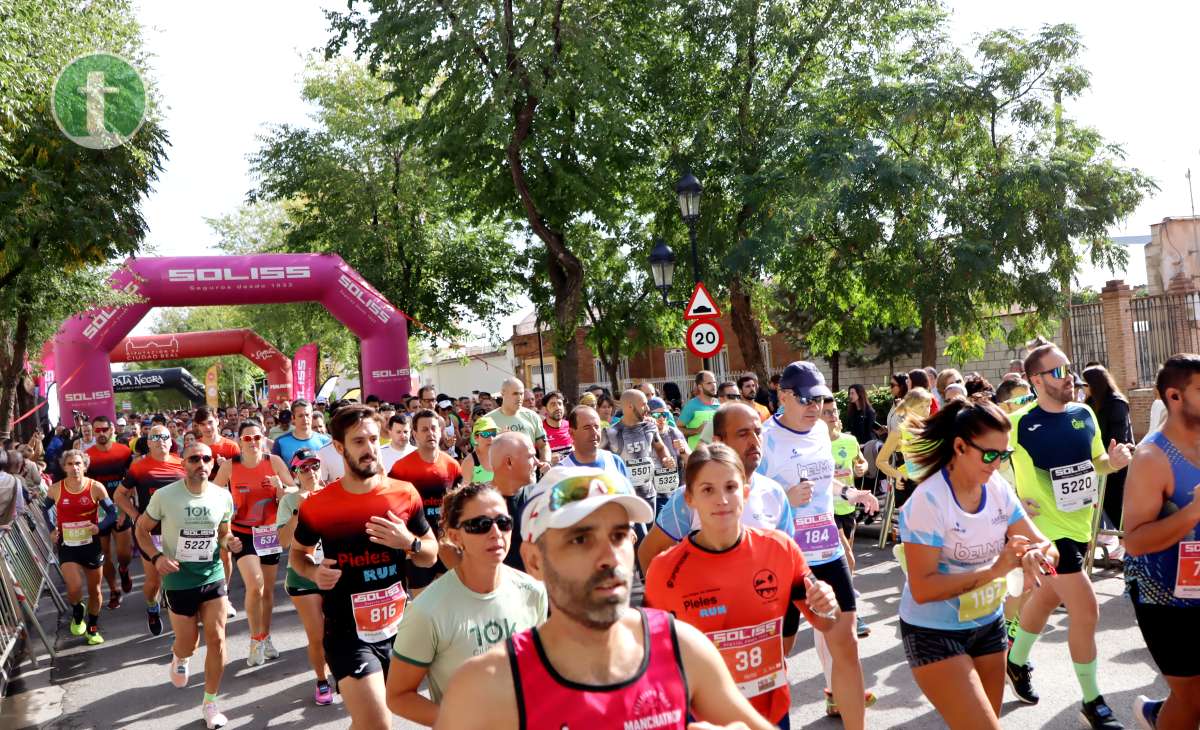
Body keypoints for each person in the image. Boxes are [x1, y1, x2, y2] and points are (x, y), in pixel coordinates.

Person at [434, 466, 779, 730]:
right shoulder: (486, 686)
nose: (610, 557)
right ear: (535, 561)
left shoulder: (679, 647)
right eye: (581, 539)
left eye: (619, 535)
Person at [645, 443, 840, 728]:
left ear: (746, 492)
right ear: (690, 499)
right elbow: (654, 662)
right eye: (708, 490)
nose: (722, 500)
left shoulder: (781, 549)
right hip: (703, 721)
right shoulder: (665, 570)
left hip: (771, 714)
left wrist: (827, 603)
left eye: (731, 487)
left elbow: (826, 622)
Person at [897, 399, 1056, 730]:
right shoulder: (928, 501)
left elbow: (1047, 546)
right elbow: (923, 588)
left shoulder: (997, 488)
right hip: (934, 632)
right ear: (959, 446)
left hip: (988, 625)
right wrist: (996, 571)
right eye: (989, 455)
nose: (997, 464)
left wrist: (1034, 557)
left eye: (1004, 455)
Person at [1005, 343, 1132, 729]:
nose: (1070, 379)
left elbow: (1096, 463)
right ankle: (1092, 701)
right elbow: (983, 462)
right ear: (1036, 380)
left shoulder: (1085, 415)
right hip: (1046, 534)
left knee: (1044, 600)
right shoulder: (1017, 423)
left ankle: (1014, 660)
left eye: (1070, 370)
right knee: (1087, 609)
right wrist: (1012, 502)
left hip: (1078, 528)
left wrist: (1115, 462)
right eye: (1059, 372)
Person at [290, 405, 438, 730]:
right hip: (348, 634)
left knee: (367, 723)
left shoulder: (404, 494)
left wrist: (408, 543)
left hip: (400, 630)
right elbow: (298, 555)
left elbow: (430, 553)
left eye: (373, 439)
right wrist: (314, 572)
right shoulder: (318, 506)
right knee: (378, 723)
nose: (370, 449)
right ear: (340, 448)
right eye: (359, 442)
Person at [756, 362, 879, 729]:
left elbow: (824, 484)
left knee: (847, 647)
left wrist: (850, 492)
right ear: (784, 396)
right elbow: (748, 499)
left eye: (821, 399)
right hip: (784, 560)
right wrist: (784, 497)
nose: (815, 407)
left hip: (827, 551)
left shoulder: (821, 432)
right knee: (778, 654)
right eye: (807, 399)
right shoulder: (764, 439)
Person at [387, 483, 548, 726]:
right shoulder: (427, 611)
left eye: (503, 522)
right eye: (481, 525)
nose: (496, 533)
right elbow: (398, 696)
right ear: (455, 536)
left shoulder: (533, 591)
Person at [1122, 354, 1200, 730]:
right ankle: (1159, 716)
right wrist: (1192, 513)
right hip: (1166, 597)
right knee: (1193, 699)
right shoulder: (1152, 457)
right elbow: (1134, 542)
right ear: (1174, 396)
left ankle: (1156, 714)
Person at [135, 441, 237, 729]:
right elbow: (141, 530)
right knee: (188, 643)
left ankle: (210, 703)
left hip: (212, 574)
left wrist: (231, 542)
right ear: (184, 463)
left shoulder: (222, 496)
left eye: (206, 459)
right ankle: (180, 656)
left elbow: (223, 534)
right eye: (194, 458)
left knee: (217, 638)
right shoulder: (165, 497)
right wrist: (156, 558)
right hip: (178, 578)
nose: (201, 464)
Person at [637, 402, 793, 575]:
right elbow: (648, 553)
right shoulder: (689, 497)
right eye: (743, 434)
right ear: (719, 441)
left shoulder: (774, 493)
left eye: (758, 432)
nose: (754, 441)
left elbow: (788, 557)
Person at [213, 419, 294, 666]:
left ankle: (265, 637)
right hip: (243, 533)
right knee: (255, 585)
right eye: (247, 439)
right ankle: (255, 639)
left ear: (264, 438)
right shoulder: (230, 466)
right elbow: (213, 497)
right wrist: (227, 512)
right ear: (240, 442)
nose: (253, 443)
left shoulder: (274, 462)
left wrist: (281, 489)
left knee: (267, 591)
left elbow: (294, 491)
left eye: (257, 437)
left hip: (270, 532)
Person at [275, 447, 335, 706]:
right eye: (304, 468)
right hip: (303, 575)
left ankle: (341, 671)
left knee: (341, 629)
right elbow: (284, 541)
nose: (310, 471)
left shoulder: (334, 493)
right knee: (317, 633)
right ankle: (322, 680)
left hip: (334, 571)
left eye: (314, 466)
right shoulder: (289, 501)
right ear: (295, 473)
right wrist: (300, 512)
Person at [114, 424, 185, 635]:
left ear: (171, 440)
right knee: (154, 580)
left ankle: (183, 619)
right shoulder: (139, 466)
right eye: (155, 437)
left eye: (165, 436)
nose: (161, 440)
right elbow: (119, 495)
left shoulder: (182, 464)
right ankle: (152, 606)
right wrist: (136, 516)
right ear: (148, 442)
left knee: (181, 576)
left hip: (179, 531)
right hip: (150, 533)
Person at [388, 409, 464, 594]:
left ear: (440, 431)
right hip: (417, 546)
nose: (430, 433)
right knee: (423, 604)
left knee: (450, 600)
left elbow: (460, 505)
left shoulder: (452, 465)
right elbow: (391, 506)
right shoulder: (401, 468)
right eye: (424, 429)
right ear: (415, 434)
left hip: (447, 544)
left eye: (433, 428)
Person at [48, 450, 117, 646]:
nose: (74, 467)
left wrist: (99, 527)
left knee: (95, 590)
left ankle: (93, 629)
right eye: (69, 463)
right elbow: (45, 509)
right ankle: (77, 611)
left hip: (91, 545)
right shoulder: (55, 489)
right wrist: (52, 529)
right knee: (75, 585)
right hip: (67, 545)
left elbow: (113, 513)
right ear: (64, 467)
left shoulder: (96, 487)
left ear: (85, 466)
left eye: (78, 463)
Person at [820, 398, 871, 637]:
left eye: (834, 411)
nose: (832, 416)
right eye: (826, 412)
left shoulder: (849, 441)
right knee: (848, 557)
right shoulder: (814, 445)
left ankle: (834, 599)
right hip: (826, 509)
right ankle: (850, 610)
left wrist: (861, 467)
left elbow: (861, 462)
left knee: (844, 559)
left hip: (847, 508)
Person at [85, 415, 134, 610]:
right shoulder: (87, 457)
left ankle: (123, 569)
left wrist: (124, 508)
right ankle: (114, 590)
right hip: (99, 512)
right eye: (97, 430)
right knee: (104, 554)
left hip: (121, 507)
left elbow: (131, 482)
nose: (101, 433)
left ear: (112, 430)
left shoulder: (124, 452)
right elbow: (86, 486)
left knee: (124, 553)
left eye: (104, 429)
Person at [604, 389, 676, 516]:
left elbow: (660, 447)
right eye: (643, 404)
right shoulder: (611, 433)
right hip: (627, 498)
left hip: (649, 494)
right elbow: (601, 462)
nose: (647, 408)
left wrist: (666, 458)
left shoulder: (650, 427)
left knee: (649, 534)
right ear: (630, 406)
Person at [1082, 365, 1133, 538]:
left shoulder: (1117, 403)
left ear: (1094, 384)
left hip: (1116, 463)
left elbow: (1118, 436)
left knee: (1116, 506)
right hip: (1097, 464)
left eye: (1085, 384)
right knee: (1105, 507)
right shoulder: (1089, 404)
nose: (1082, 388)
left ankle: (1128, 545)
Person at [488, 431, 539, 572]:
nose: (537, 462)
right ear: (509, 462)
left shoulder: (540, 496)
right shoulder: (476, 504)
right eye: (531, 456)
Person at [876, 388, 934, 513]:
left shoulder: (931, 430)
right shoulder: (899, 431)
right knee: (912, 529)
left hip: (929, 484)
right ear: (910, 408)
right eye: (922, 406)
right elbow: (880, 461)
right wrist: (897, 475)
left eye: (928, 406)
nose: (926, 410)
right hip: (908, 484)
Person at [486, 378, 550, 463]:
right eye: (515, 394)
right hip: (501, 474)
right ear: (503, 394)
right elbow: (481, 452)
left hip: (530, 473)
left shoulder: (532, 416)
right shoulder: (488, 420)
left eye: (521, 394)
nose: (519, 398)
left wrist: (546, 462)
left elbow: (543, 446)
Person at [272, 399, 332, 465]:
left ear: (311, 416)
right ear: (293, 418)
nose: (305, 419)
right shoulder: (280, 442)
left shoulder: (325, 441)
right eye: (300, 416)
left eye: (307, 415)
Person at [680, 370, 719, 449]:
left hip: (717, 455)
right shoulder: (691, 405)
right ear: (700, 387)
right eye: (709, 383)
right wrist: (697, 430)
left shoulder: (721, 404)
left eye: (714, 382)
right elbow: (677, 429)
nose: (714, 386)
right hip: (697, 456)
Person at [459, 415, 497, 485]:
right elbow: (463, 492)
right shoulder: (469, 462)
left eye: (493, 433)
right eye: (486, 434)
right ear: (476, 437)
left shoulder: (502, 457)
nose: (491, 438)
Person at [541, 391, 572, 462]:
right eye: (553, 404)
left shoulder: (571, 426)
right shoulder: (539, 430)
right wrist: (547, 459)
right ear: (546, 409)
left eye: (560, 404)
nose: (557, 407)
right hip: (550, 472)